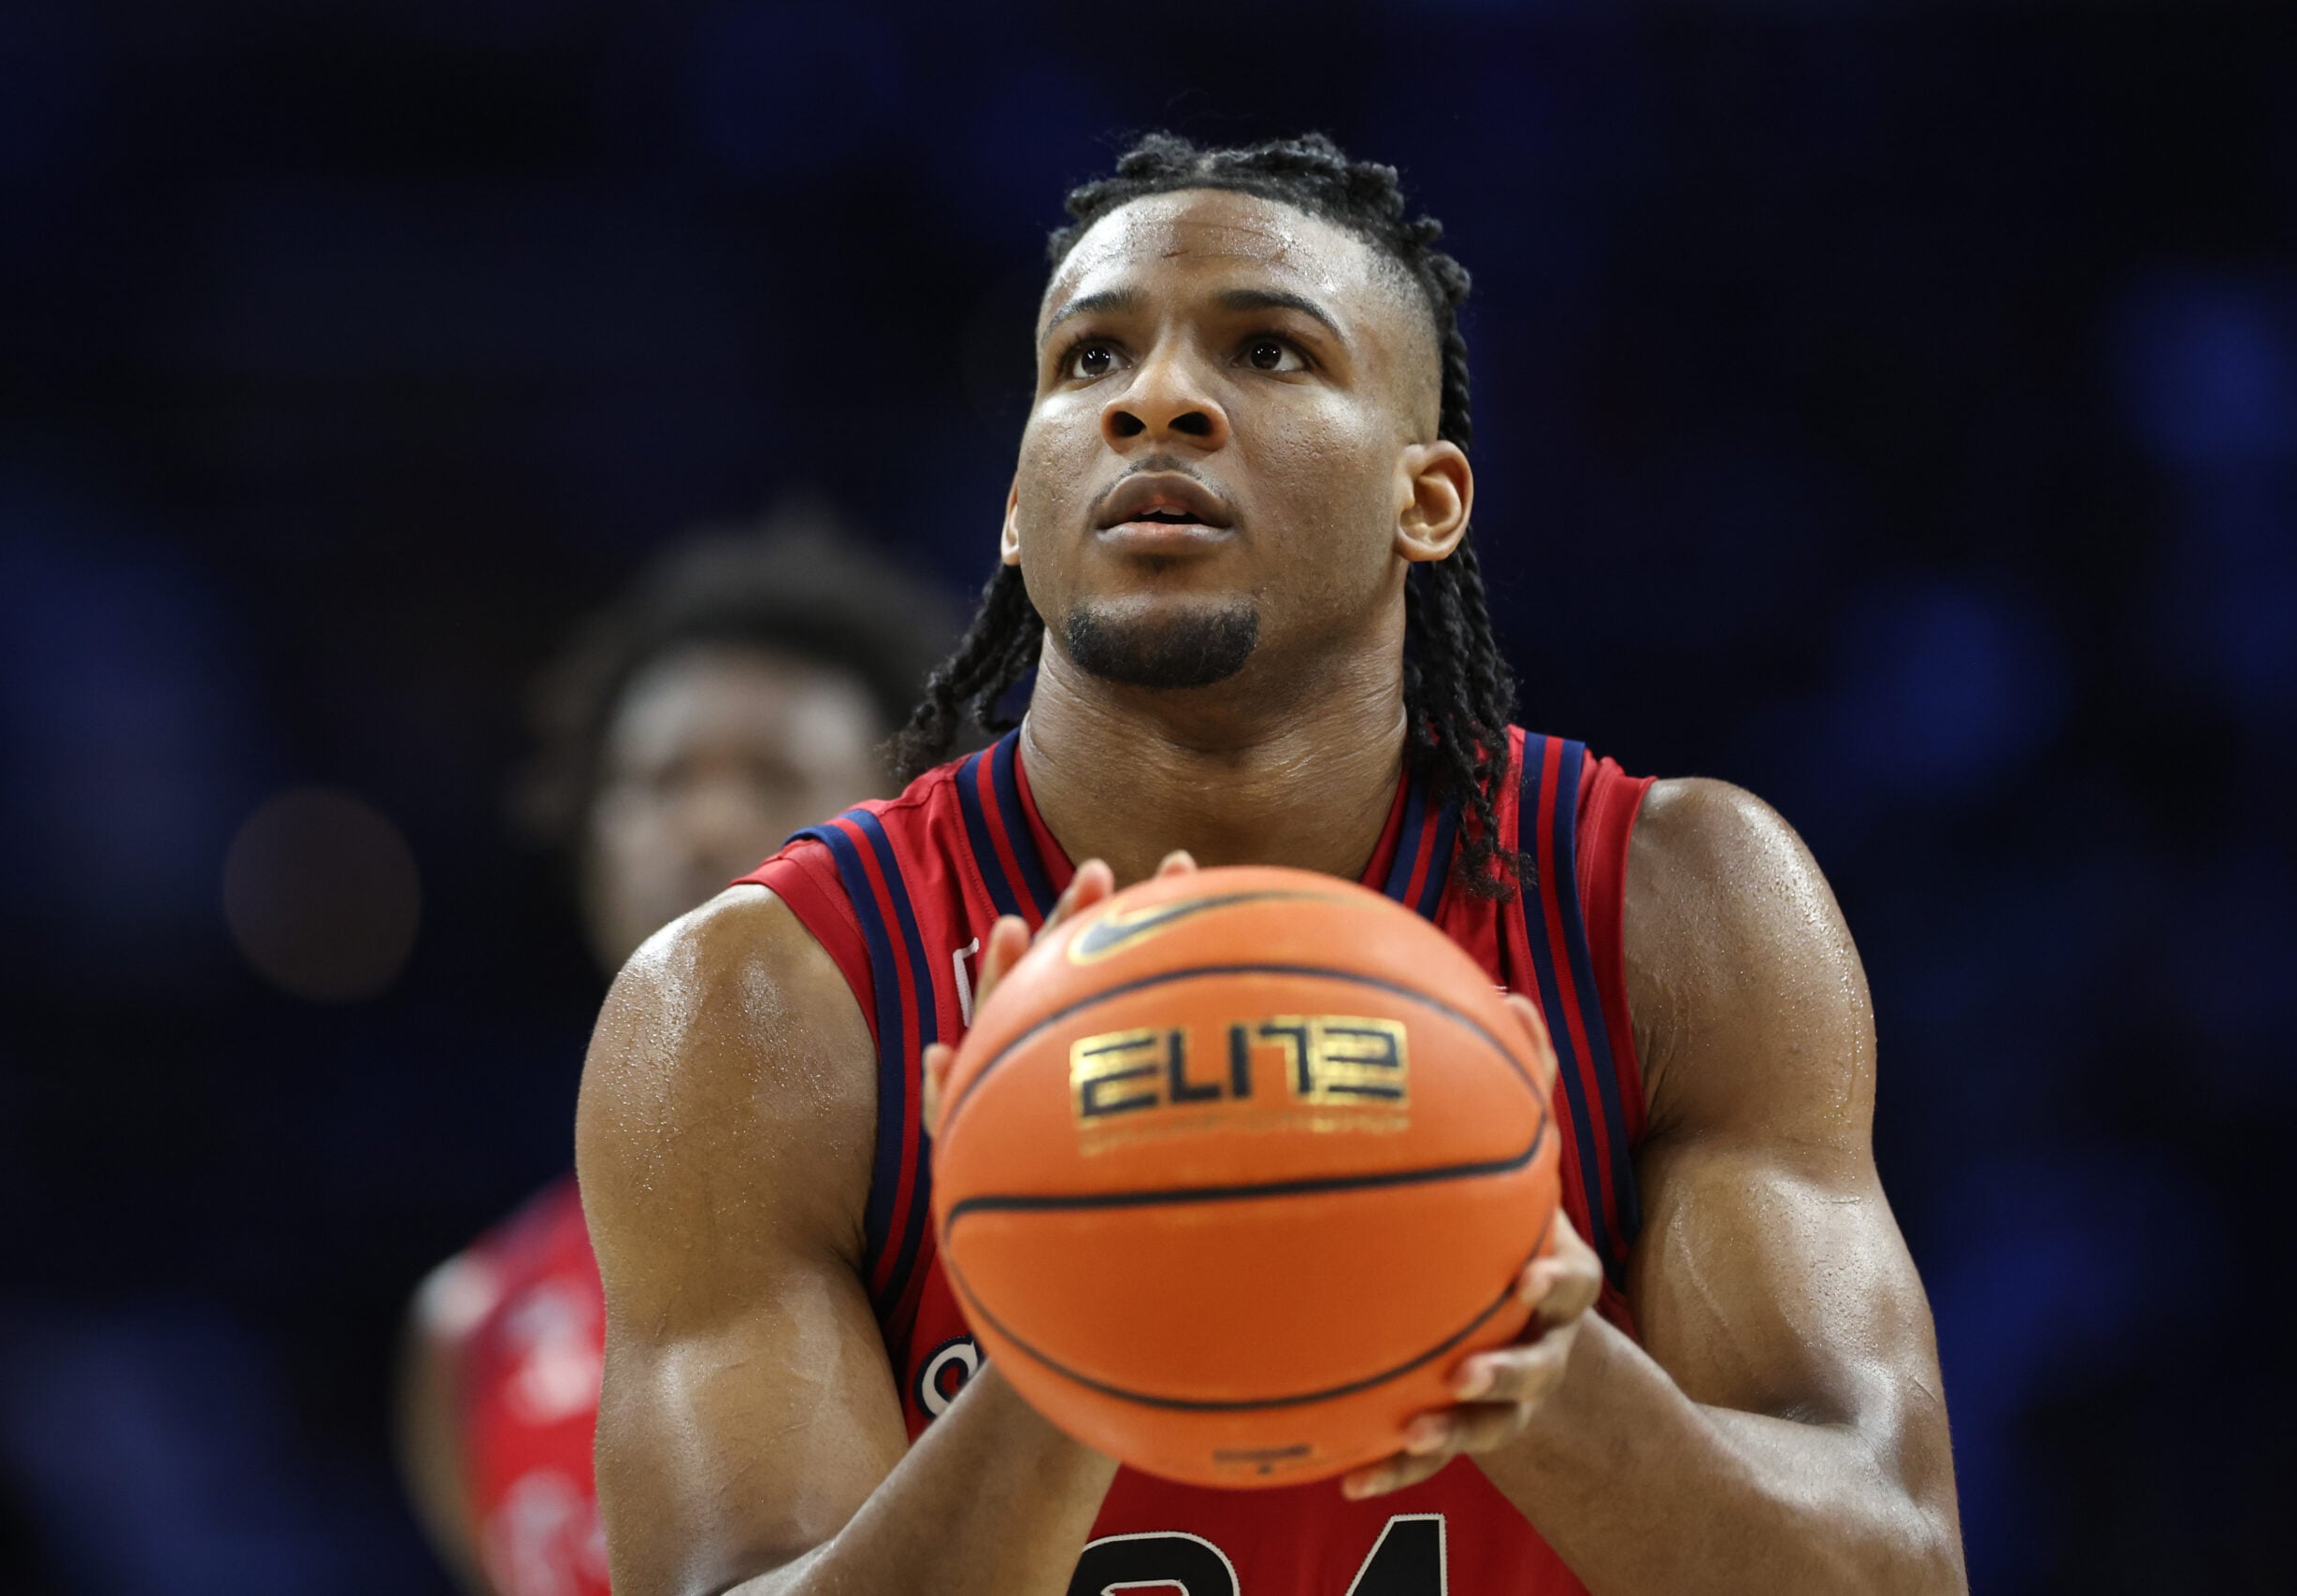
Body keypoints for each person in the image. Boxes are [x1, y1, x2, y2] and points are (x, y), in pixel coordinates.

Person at [578, 134, 1967, 1595]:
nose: (1155, 397)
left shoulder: (1673, 902)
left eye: (1269, 350)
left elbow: (1896, 1566)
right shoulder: (767, 994)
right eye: (1088, 358)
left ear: (1425, 499)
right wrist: (1067, 1351)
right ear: (1014, 505)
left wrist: (1525, 1353)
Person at [396, 521, 954, 1596]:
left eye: (771, 773)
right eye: (656, 782)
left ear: (901, 834)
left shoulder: (1019, 1223)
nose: (701, 825)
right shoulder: (471, 1324)